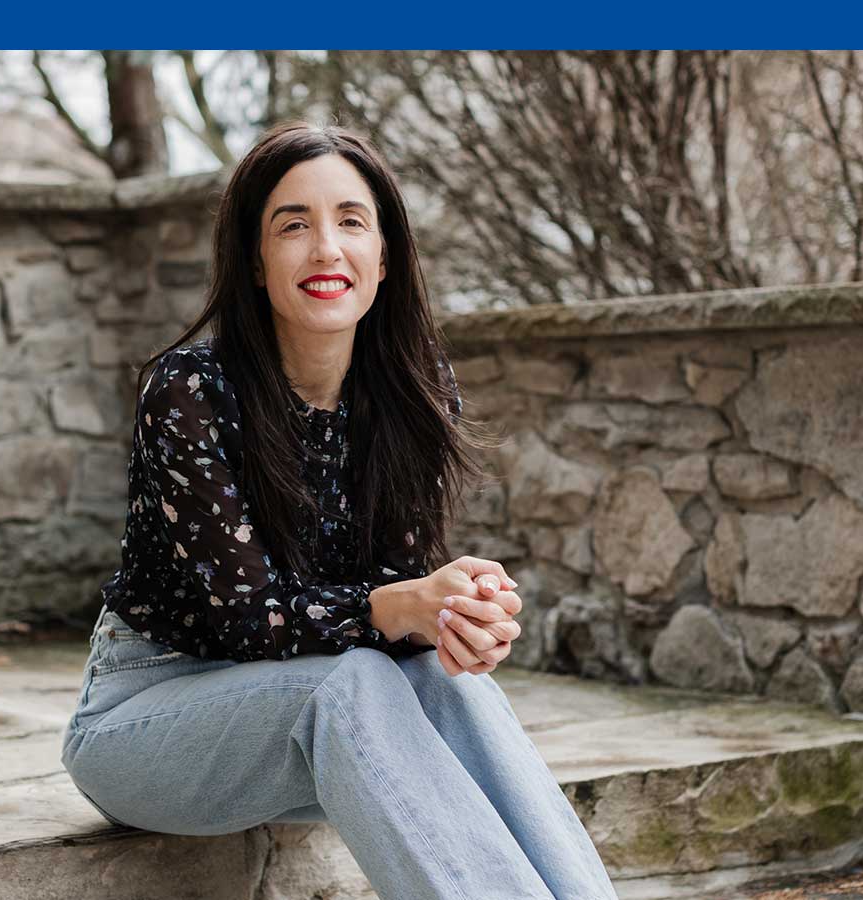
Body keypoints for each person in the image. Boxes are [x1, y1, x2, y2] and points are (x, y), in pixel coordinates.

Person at [60, 120, 617, 900]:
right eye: (294, 225)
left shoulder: (411, 394)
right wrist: (403, 605)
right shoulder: (190, 391)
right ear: (255, 262)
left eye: (351, 221)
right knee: (349, 683)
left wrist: (454, 617)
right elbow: (251, 621)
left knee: (451, 684)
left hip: (307, 720)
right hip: (146, 720)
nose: (327, 249)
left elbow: (397, 606)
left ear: (385, 258)